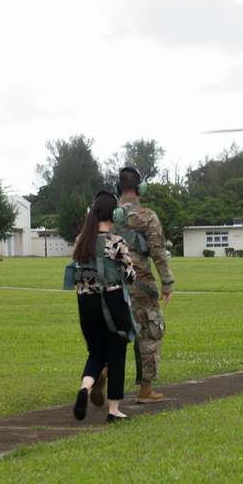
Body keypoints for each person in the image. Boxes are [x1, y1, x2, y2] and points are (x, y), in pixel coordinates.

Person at [93, 166, 174, 405]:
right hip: (141, 286)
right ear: (140, 188)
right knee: (150, 332)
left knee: (117, 334)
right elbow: (159, 253)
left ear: (118, 189)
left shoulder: (107, 214)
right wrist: (167, 283)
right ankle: (145, 390)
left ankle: (104, 371)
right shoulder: (147, 216)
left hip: (109, 285)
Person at [67, 191, 137, 423]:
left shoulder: (81, 240)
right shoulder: (117, 242)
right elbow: (130, 275)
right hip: (113, 302)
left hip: (86, 303)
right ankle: (114, 410)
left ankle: (85, 388)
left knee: (96, 353)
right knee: (116, 355)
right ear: (114, 214)